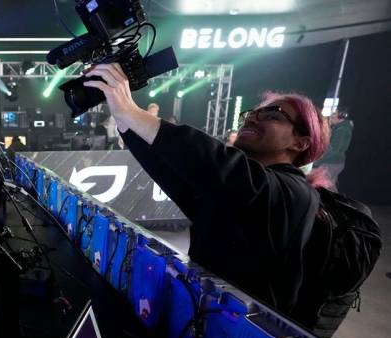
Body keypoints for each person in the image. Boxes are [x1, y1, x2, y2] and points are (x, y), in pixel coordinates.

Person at [83, 64, 330, 319]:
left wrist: (132, 111)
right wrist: (124, 121)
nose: (253, 117)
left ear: (301, 142)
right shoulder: (235, 187)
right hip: (208, 314)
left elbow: (220, 168)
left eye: (273, 115)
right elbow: (176, 173)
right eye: (252, 113)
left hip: (248, 334)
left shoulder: (295, 193)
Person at [314, 107, 353, 191]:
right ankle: (334, 203)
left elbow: (333, 150)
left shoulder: (342, 130)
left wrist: (318, 161)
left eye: (334, 114)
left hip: (330, 163)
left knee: (322, 185)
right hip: (333, 162)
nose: (331, 116)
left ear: (341, 116)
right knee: (329, 186)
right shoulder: (340, 127)